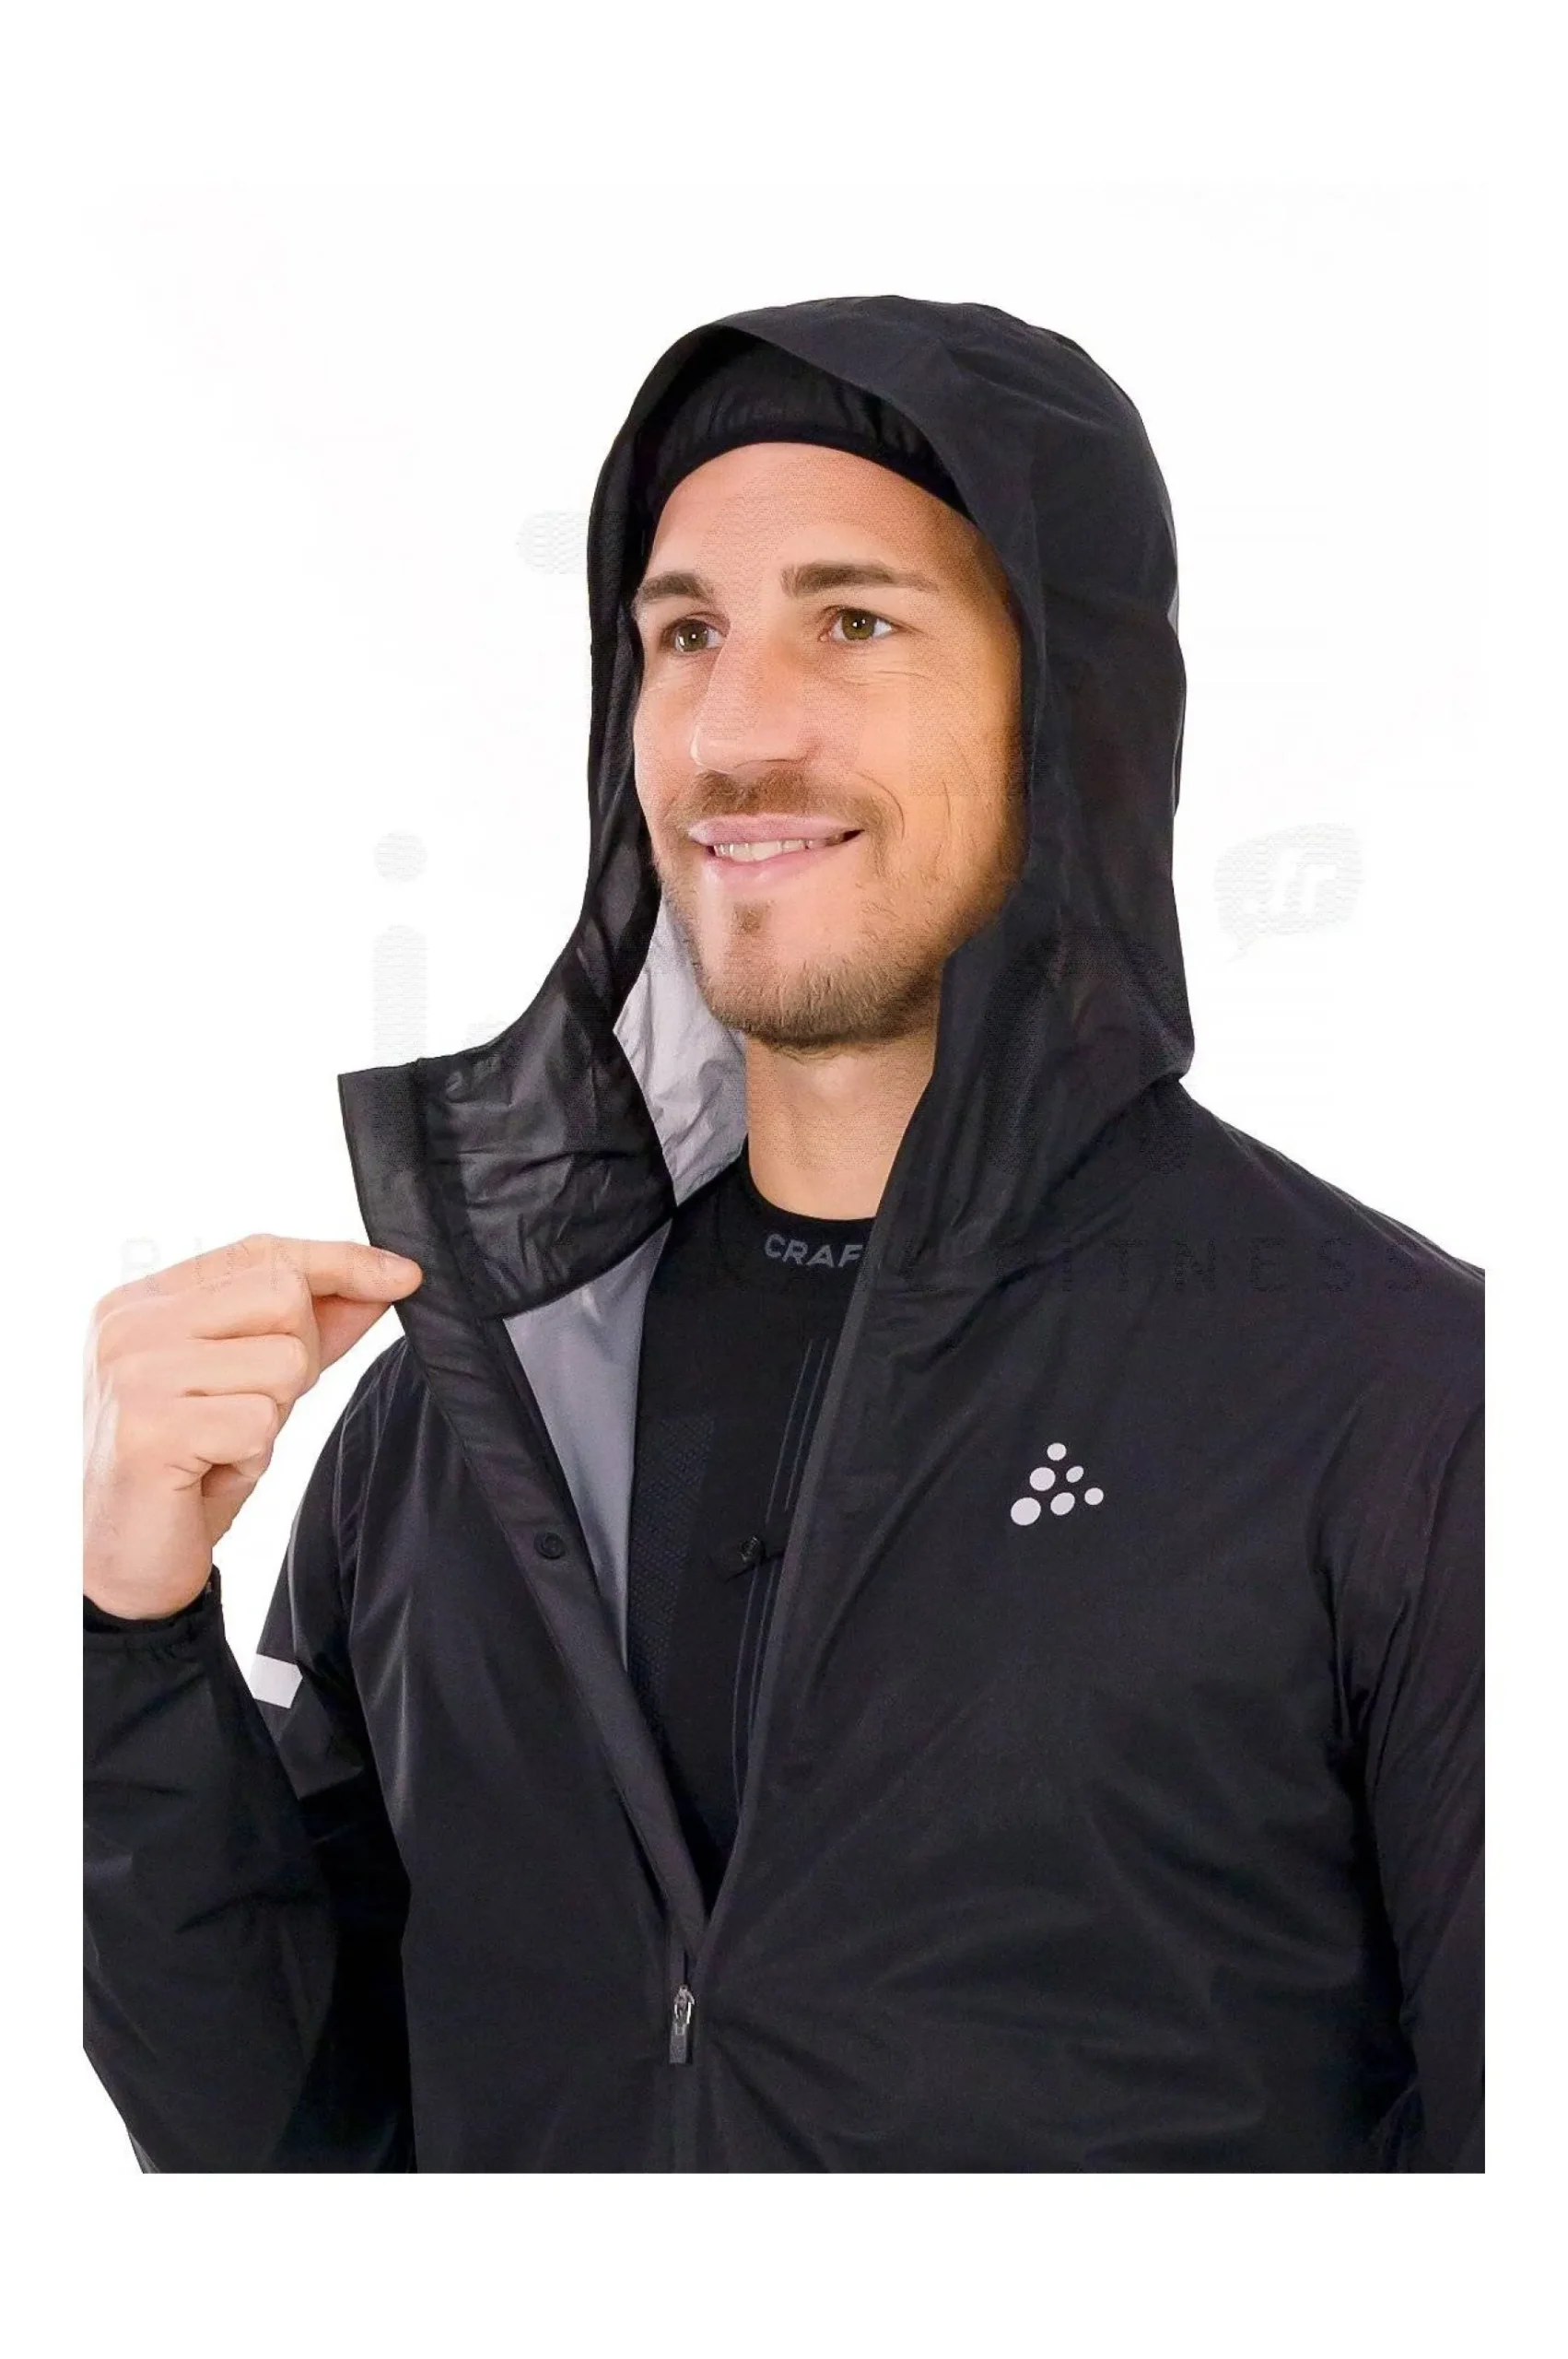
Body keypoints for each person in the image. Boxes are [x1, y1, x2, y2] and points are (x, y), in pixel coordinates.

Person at [83, 296, 1483, 2173]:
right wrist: (128, 1637)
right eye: (683, 634)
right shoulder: (471, 1407)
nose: (736, 730)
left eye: (853, 621)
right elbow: (290, 2158)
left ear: (1066, 711)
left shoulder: (1407, 1401)